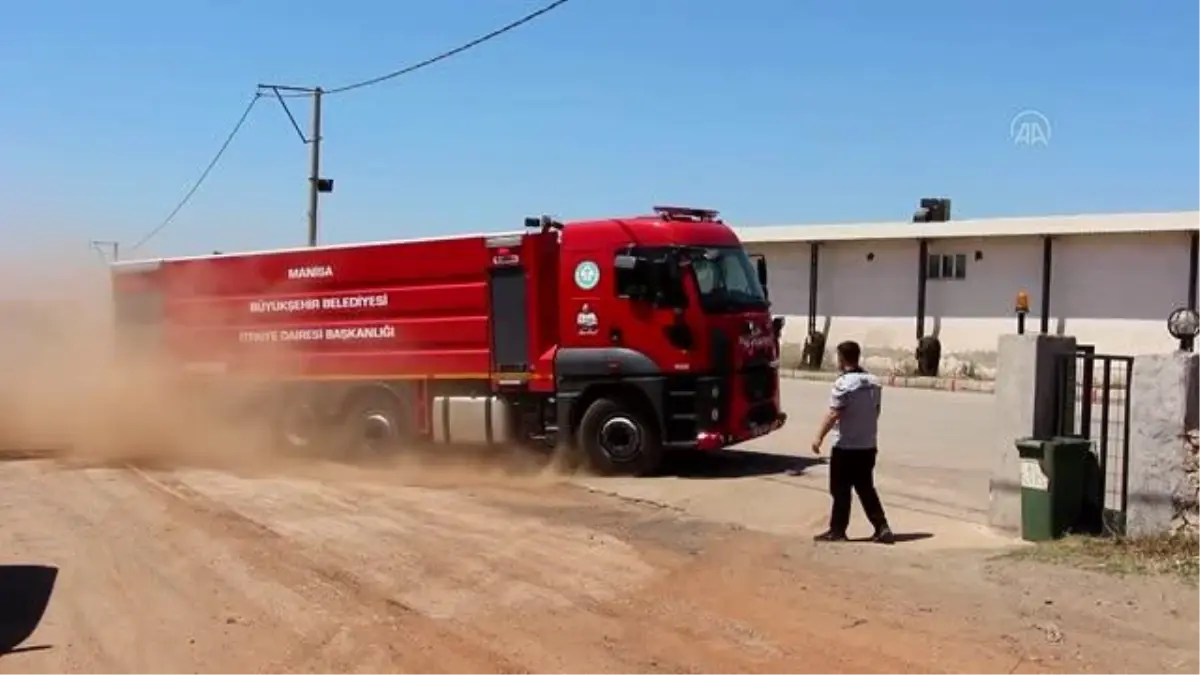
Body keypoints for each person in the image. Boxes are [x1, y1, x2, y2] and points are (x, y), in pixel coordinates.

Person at [810, 340, 895, 544]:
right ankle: (882, 527)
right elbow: (876, 412)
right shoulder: (874, 382)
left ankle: (838, 530)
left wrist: (818, 437)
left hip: (846, 446)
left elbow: (833, 414)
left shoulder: (843, 384)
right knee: (866, 488)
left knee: (840, 489)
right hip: (867, 446)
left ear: (841, 359)